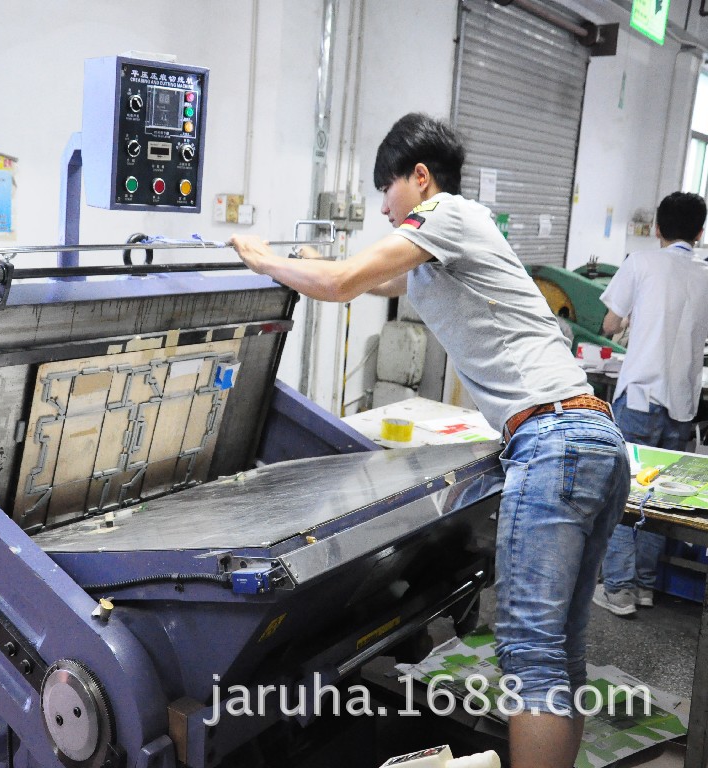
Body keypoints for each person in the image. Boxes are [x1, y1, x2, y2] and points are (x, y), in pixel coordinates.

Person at [230, 113, 630, 768]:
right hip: (590, 436)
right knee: (560, 649)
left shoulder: (446, 214)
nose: (384, 212)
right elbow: (361, 277)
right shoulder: (446, 248)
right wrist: (299, 262)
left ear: (420, 178)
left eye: (386, 194)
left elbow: (343, 282)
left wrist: (257, 255)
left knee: (531, 655)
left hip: (552, 442)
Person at [593, 192, 708, 617]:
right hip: (682, 405)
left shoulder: (640, 263)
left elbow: (610, 323)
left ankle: (618, 589)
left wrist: (625, 321)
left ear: (657, 227)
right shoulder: (704, 276)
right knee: (661, 498)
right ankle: (644, 586)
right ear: (700, 233)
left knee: (625, 495)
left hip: (640, 398)